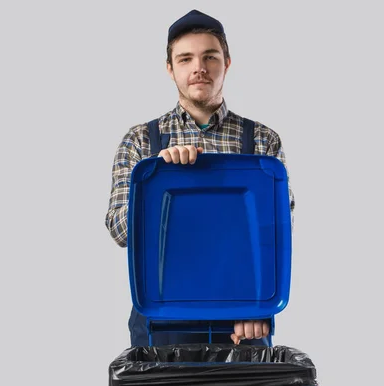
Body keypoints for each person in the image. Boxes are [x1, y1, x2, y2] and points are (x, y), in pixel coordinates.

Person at [104, 9, 295, 347]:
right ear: (170, 68)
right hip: (161, 322)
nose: (199, 68)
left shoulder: (263, 141)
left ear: (227, 63)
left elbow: (274, 235)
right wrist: (159, 179)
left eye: (210, 57)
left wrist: (256, 307)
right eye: (185, 58)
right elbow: (120, 231)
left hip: (243, 320)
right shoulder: (140, 141)